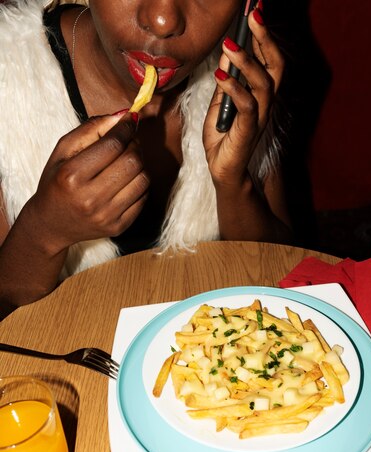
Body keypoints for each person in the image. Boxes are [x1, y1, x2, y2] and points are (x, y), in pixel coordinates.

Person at [0, 0, 291, 317]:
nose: (163, 20)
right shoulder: (9, 78)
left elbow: (285, 278)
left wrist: (233, 182)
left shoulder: (236, 84)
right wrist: (43, 232)